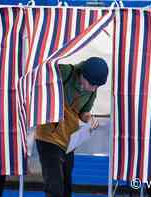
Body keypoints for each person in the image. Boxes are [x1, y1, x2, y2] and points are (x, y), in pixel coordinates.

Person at [35, 57, 109, 197]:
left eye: (97, 86)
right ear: (82, 74)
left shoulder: (93, 90)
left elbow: (83, 111)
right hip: (48, 137)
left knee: (66, 188)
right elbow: (41, 77)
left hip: (68, 141)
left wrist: (90, 119)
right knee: (54, 187)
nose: (93, 89)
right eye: (92, 84)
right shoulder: (66, 72)